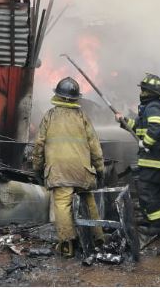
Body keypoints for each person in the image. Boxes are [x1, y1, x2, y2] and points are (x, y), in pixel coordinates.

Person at [32, 77, 106, 258]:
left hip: (59, 172)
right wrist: (100, 168)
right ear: (75, 98)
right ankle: (98, 238)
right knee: (88, 200)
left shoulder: (49, 116)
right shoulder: (82, 117)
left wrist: (38, 168)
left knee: (62, 204)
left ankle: (67, 245)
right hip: (83, 171)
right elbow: (95, 146)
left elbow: (39, 146)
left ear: (57, 95)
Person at [115, 73, 160, 235]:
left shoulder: (153, 107)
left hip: (154, 158)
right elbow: (139, 126)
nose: (141, 93)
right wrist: (124, 121)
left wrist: (145, 142)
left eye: (143, 90)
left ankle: (157, 226)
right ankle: (152, 219)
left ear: (148, 92)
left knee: (147, 190)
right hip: (153, 158)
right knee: (148, 190)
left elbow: (156, 125)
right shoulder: (150, 107)